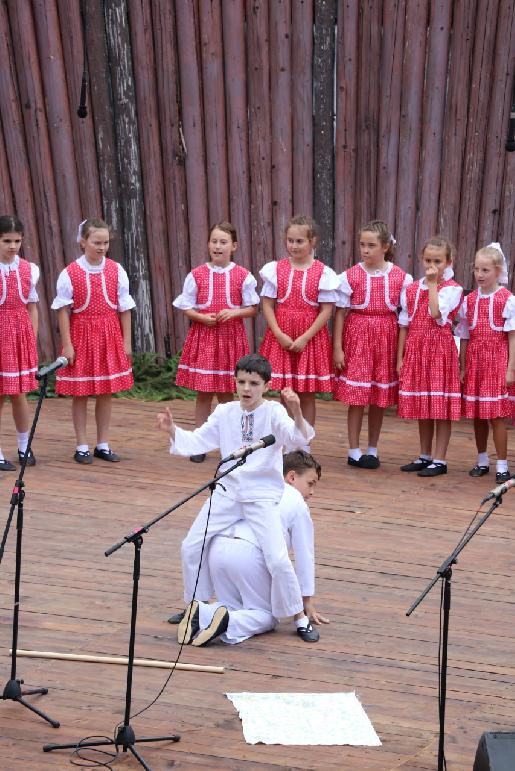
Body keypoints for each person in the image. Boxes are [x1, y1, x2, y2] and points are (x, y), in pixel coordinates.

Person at [157, 353, 314, 624]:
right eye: (241, 382)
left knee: (277, 559)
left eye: (253, 383)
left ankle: (299, 617)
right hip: (227, 492)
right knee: (190, 546)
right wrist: (173, 431)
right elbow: (198, 441)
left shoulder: (275, 412)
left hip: (261, 496)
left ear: (266, 385)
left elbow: (298, 438)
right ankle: (197, 604)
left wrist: (297, 411)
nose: (246, 389)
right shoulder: (224, 411)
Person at [174, 451, 330, 647]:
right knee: (267, 616)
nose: (312, 492)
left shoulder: (252, 486)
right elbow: (304, 554)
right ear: (291, 477)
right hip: (250, 555)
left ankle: (202, 612)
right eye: (310, 483)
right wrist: (305, 602)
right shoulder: (295, 500)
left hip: (218, 550)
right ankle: (226, 622)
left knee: (232, 606)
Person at [173, 221, 259, 462]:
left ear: (234, 246)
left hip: (231, 339)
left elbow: (253, 308)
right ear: (208, 244)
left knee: (226, 394)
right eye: (214, 241)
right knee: (203, 393)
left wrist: (234, 313)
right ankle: (198, 444)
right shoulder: (197, 274)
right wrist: (201, 317)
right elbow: (186, 306)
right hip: (205, 338)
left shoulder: (243, 275)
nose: (217, 246)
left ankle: (229, 445)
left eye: (223, 242)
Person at [51, 218, 135, 464]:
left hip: (109, 334)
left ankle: (103, 443)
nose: (102, 247)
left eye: (106, 242)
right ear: (83, 241)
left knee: (105, 392)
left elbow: (125, 307)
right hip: (81, 336)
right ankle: (81, 445)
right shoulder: (70, 272)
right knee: (81, 392)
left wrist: (126, 341)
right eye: (96, 242)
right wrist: (67, 344)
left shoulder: (116, 270)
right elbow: (63, 310)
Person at [333, 220, 412, 469]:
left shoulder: (401, 277)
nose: (365, 250)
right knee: (357, 397)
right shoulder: (350, 276)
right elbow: (341, 313)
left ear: (386, 247)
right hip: (357, 336)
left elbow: (405, 319)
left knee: (378, 396)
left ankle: (372, 449)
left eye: (371, 245)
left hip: (386, 338)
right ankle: (353, 449)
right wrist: (337, 346)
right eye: (362, 245)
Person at [258, 215, 339, 432]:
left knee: (306, 392)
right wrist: (278, 334)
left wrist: (305, 338)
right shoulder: (276, 269)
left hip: (309, 338)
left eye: (299, 241)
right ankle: (286, 437)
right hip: (281, 334)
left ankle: (304, 440)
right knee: (285, 390)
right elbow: (267, 305)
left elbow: (326, 311)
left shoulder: (323, 272)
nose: (293, 246)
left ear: (312, 241)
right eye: (290, 240)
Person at [397, 236, 463, 476]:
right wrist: (400, 357)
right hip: (417, 349)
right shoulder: (413, 288)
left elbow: (436, 314)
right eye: (428, 260)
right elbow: (404, 324)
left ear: (449, 262)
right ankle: (424, 454)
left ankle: (440, 459)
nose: (432, 265)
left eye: (438, 261)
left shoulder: (452, 289)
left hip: (439, 350)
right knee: (423, 403)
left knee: (440, 405)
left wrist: (433, 284)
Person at [456, 243, 515, 482]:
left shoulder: (507, 299)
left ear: (498, 272)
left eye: (485, 270)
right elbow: (465, 336)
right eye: (477, 269)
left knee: (496, 415)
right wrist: (463, 366)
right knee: (478, 413)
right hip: (475, 361)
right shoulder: (469, 300)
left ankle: (502, 464)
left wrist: (511, 368)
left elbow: (512, 335)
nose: (479, 275)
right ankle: (482, 460)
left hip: (498, 360)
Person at [0, 216, 39, 470]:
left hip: (19, 333)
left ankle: (24, 445)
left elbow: (32, 306)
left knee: (19, 393)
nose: (13, 246)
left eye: (17, 240)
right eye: (6, 241)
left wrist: (31, 337)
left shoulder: (28, 269)